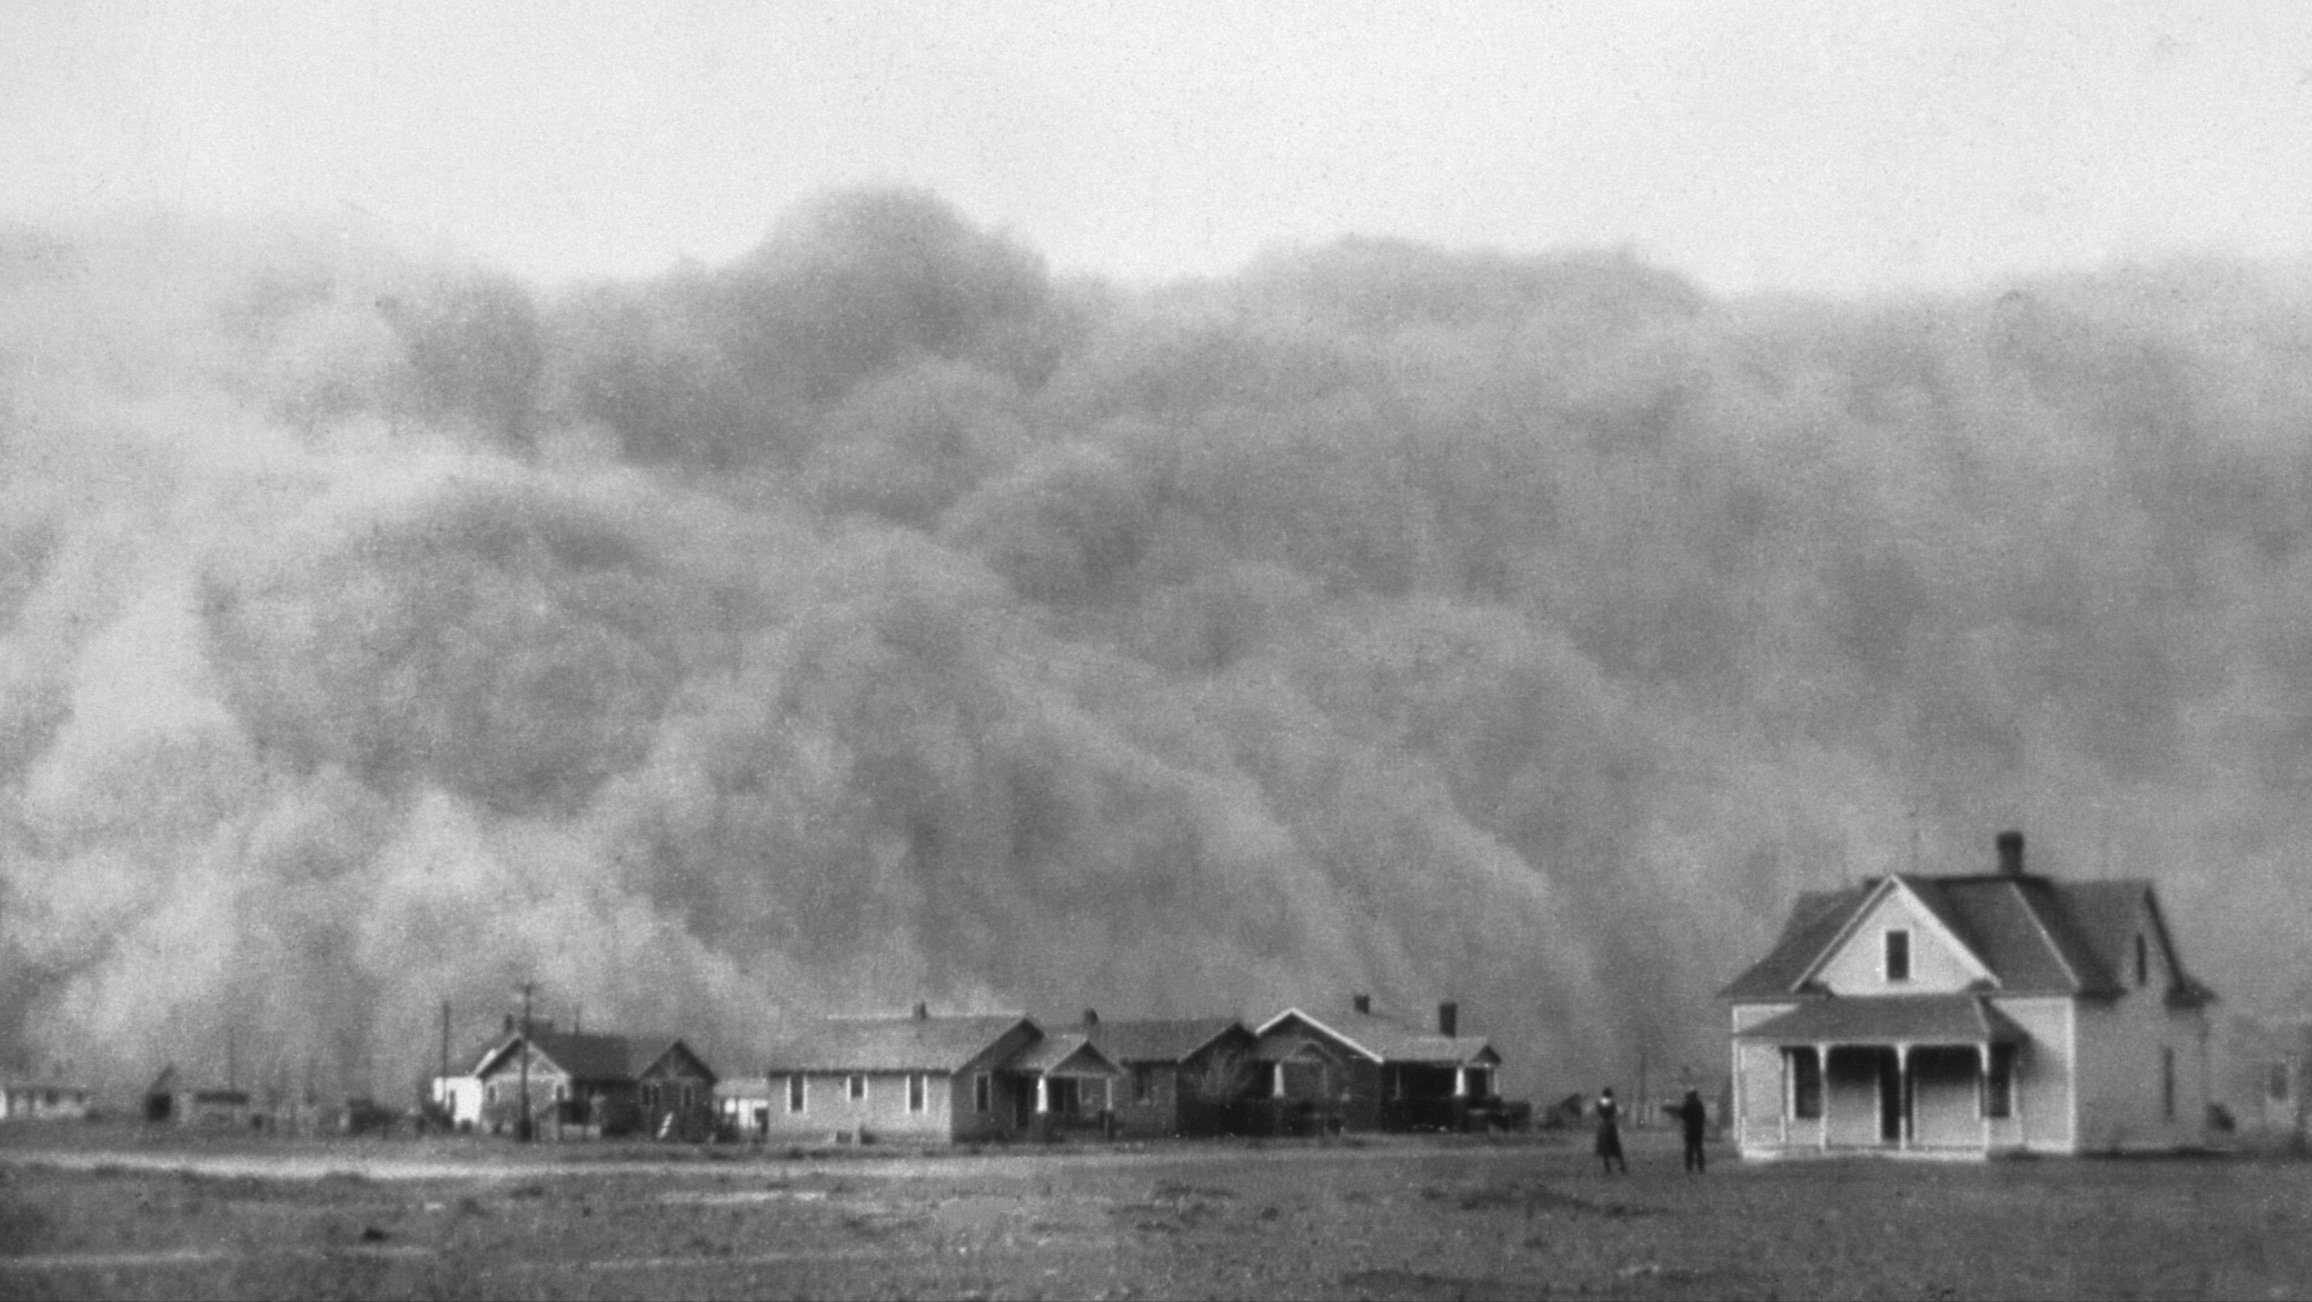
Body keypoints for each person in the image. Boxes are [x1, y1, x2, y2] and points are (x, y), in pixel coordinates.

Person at [1594, 1087, 1627, 1174]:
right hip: (1611, 1126)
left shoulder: (1598, 1103)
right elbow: (1620, 1112)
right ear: (1610, 1094)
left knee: (1604, 1147)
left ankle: (1607, 1168)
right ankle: (1622, 1167)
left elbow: (1595, 1113)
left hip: (1602, 1126)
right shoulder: (1613, 1103)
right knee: (1616, 1148)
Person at [1676, 1087, 1709, 1174]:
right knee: (1699, 1149)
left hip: (1689, 1129)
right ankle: (1701, 1167)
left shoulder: (1687, 1104)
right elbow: (1702, 1116)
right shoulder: (1699, 1104)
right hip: (1698, 1129)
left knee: (1689, 1149)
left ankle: (1689, 1167)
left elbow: (1683, 1115)